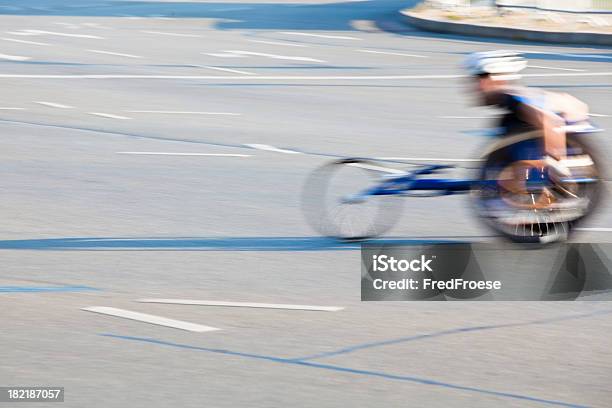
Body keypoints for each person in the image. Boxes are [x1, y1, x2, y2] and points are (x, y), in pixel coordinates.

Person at [464, 50, 590, 177]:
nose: (473, 88)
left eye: (478, 80)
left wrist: (557, 162)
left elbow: (550, 121)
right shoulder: (508, 108)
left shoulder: (514, 99)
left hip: (563, 136)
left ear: (494, 79)